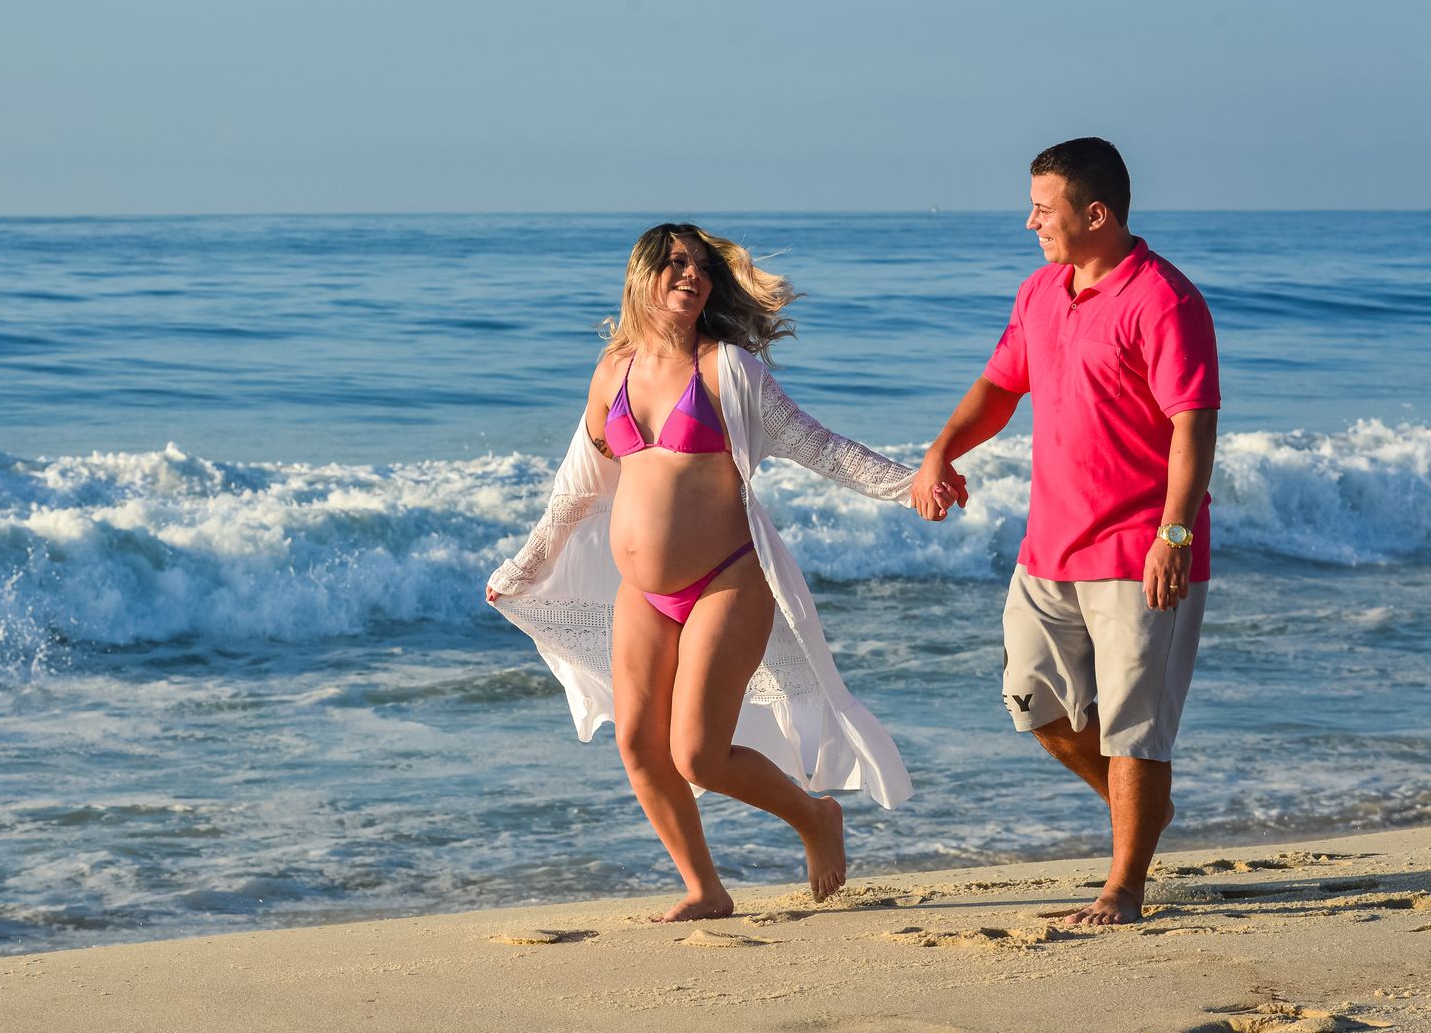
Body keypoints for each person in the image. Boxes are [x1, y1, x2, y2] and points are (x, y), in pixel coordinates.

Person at [485, 223, 954, 922]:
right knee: (639, 746)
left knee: (698, 755)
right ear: (641, 276)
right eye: (674, 263)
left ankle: (815, 816)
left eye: (701, 267)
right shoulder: (612, 369)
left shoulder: (727, 370)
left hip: (727, 581)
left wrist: (910, 484)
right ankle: (706, 888)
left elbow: (821, 448)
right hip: (644, 593)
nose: (690, 275)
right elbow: (577, 485)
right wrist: (525, 566)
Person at [913, 138, 1219, 926]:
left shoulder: (1164, 300)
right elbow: (999, 384)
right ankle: (1143, 816)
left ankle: (1124, 885)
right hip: (1048, 547)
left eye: (1043, 210)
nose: (1030, 223)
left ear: (1096, 213)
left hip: (1139, 553)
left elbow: (1194, 424)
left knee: (1134, 729)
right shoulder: (1041, 292)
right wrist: (943, 449)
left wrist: (1174, 535)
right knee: (1036, 705)